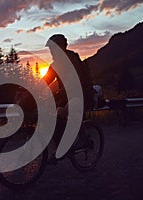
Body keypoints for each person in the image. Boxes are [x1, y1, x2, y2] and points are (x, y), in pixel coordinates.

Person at [42, 34, 94, 163]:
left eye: (53, 49)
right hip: (68, 97)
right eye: (50, 50)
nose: (51, 52)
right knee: (54, 115)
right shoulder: (55, 64)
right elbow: (45, 80)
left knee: (62, 111)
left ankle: (78, 141)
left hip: (82, 95)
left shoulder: (72, 59)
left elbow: (77, 80)